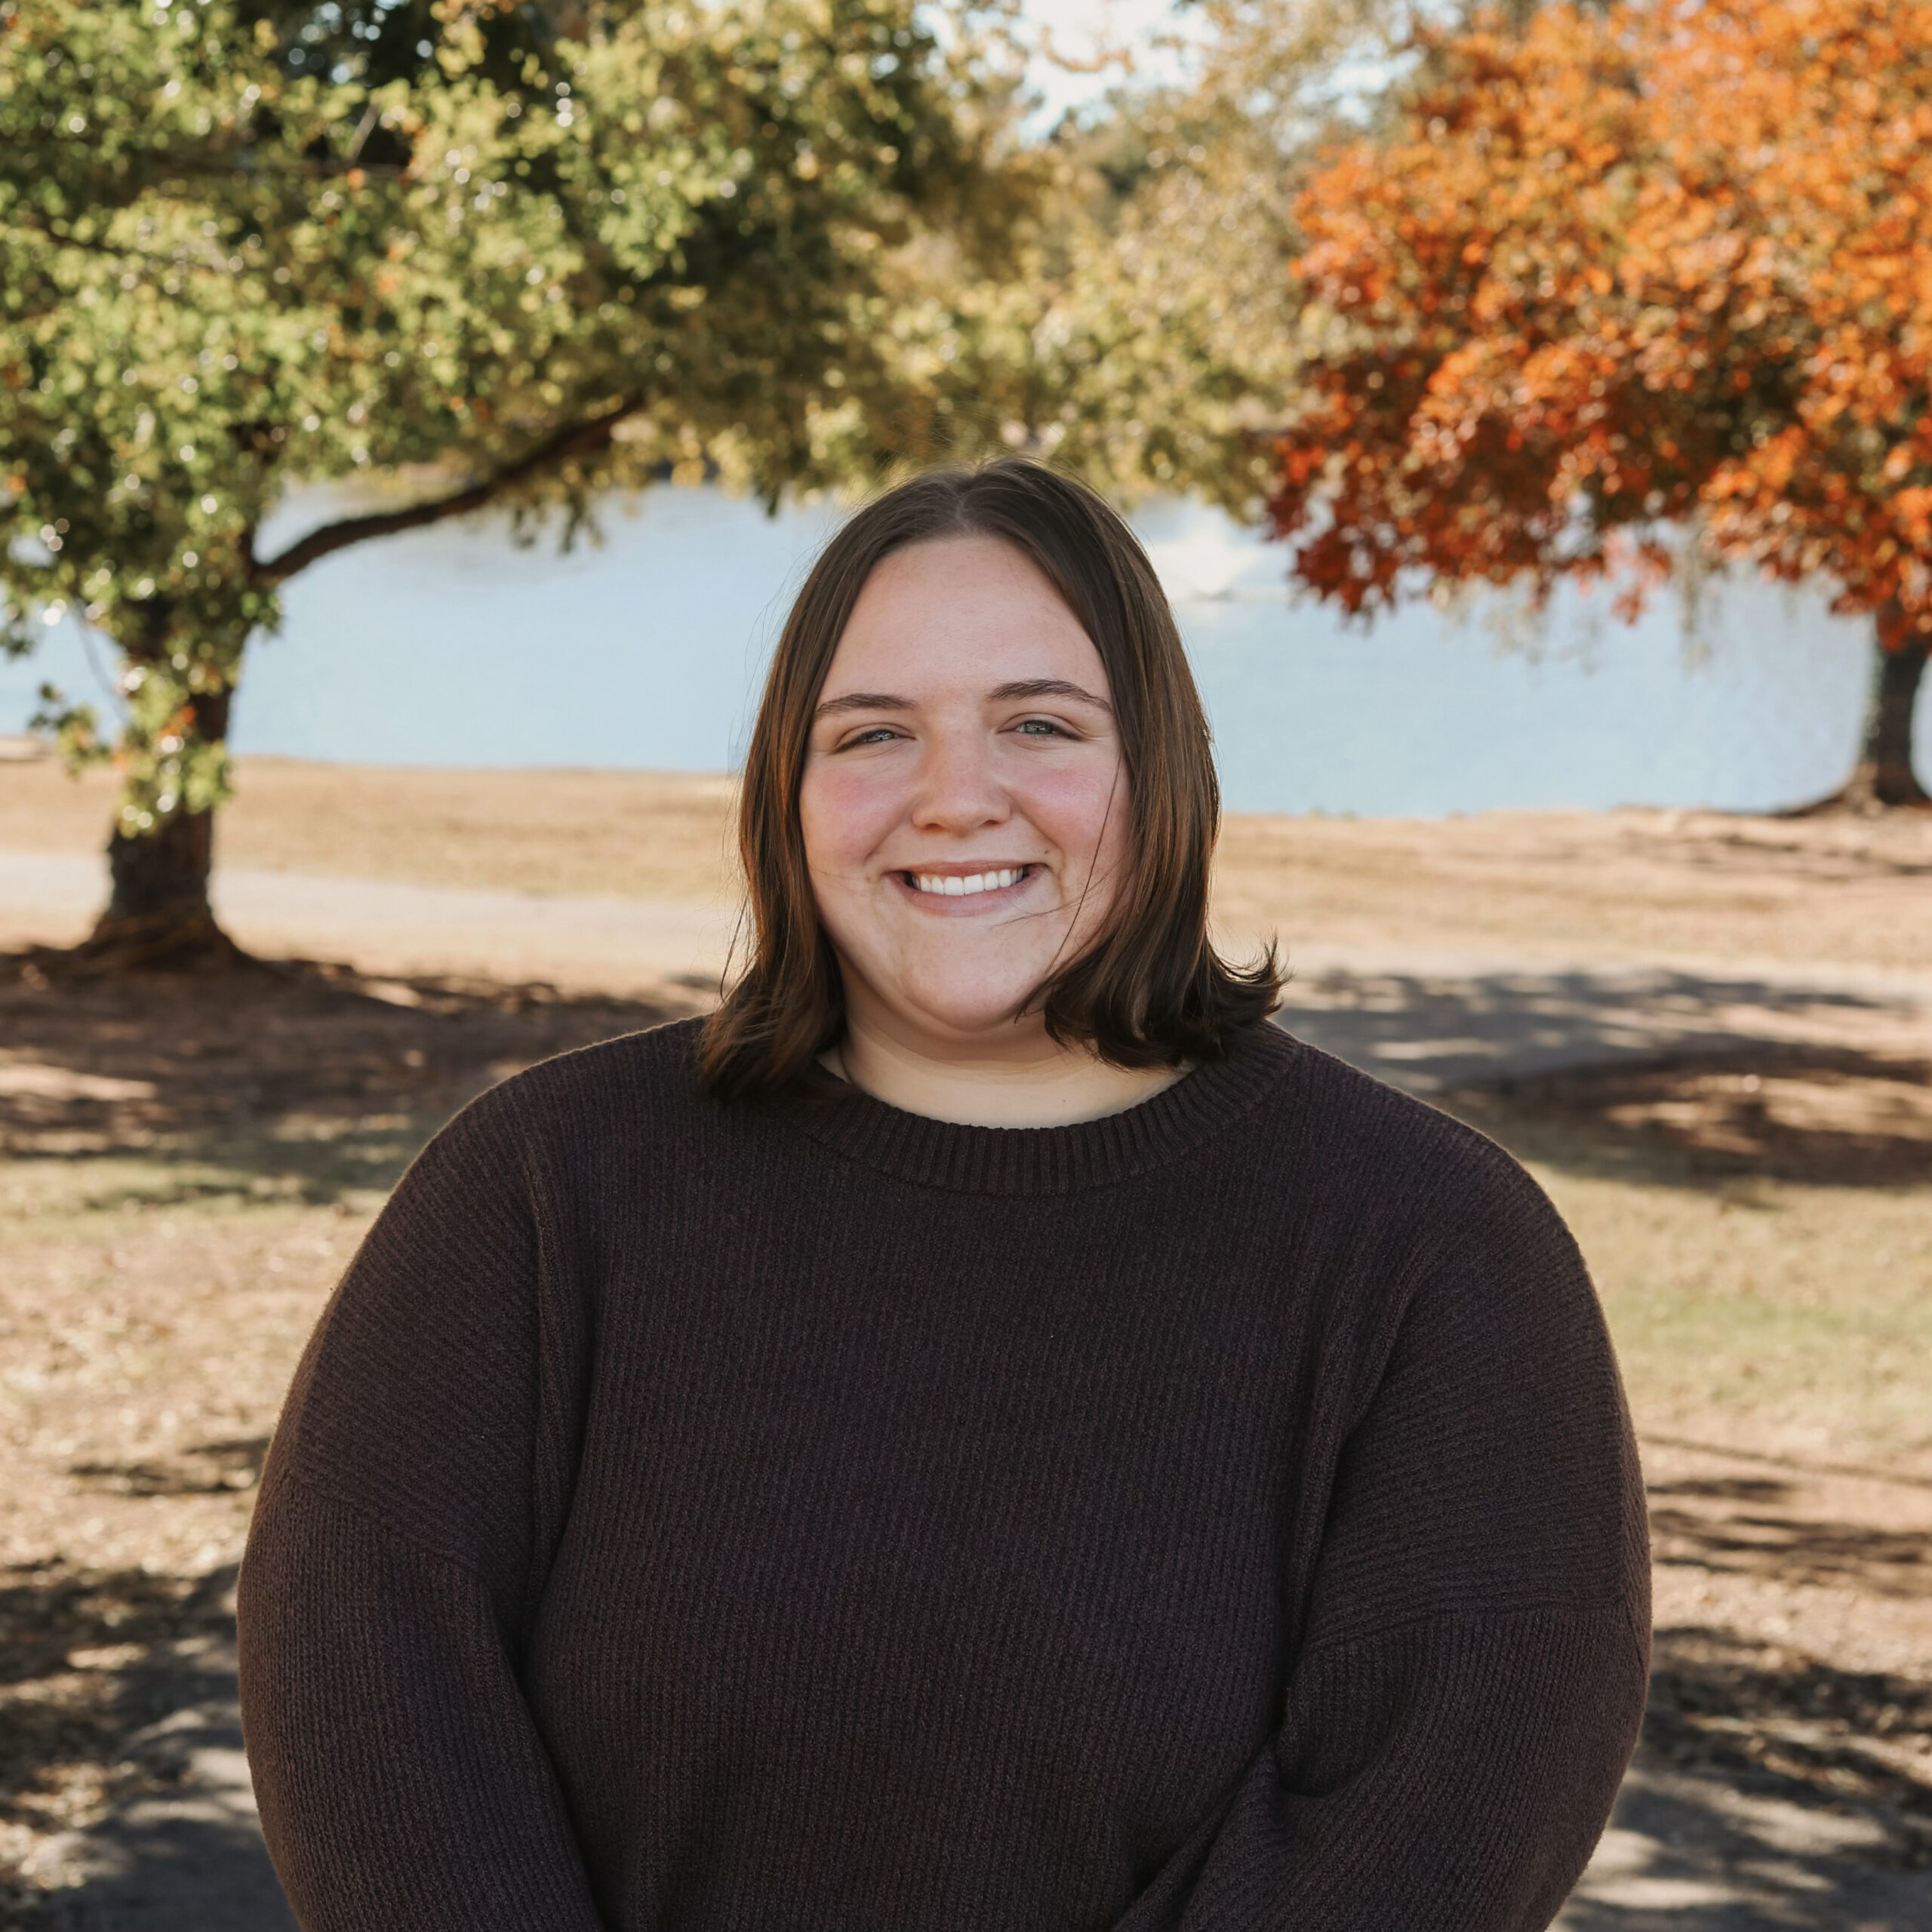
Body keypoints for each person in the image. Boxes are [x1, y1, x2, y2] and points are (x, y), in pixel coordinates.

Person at [237, 459, 1650, 1932]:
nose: (955, 799)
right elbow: (366, 1688)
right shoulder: (537, 1196)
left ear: (1164, 767)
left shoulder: (1434, 1254)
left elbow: (1437, 1810)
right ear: (787, 793)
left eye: (1039, 724)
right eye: (872, 734)